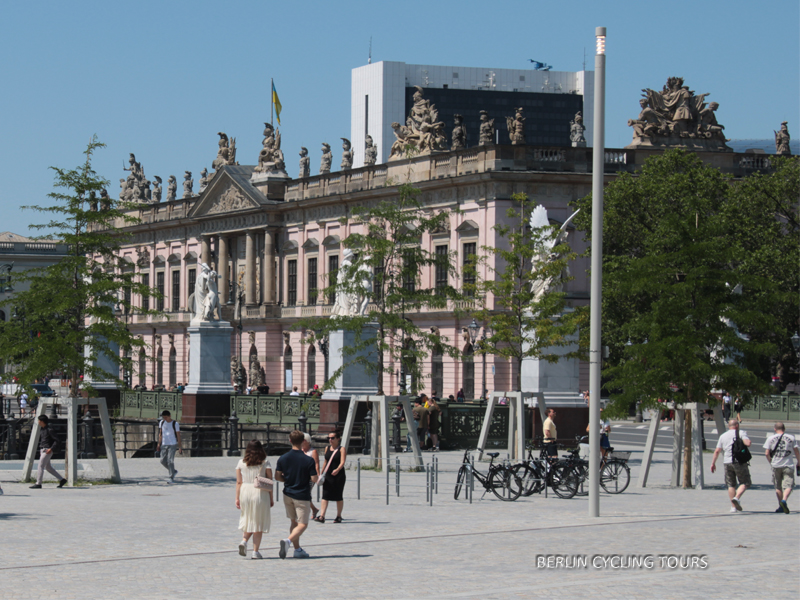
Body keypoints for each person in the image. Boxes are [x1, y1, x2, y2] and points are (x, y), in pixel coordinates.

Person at [274, 430, 318, 559]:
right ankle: (287, 541)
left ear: (289, 440)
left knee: (293, 522)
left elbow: (278, 477)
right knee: (303, 524)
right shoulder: (308, 460)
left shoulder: (283, 458)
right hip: (302, 494)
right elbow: (314, 479)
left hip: (287, 493)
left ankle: (297, 550)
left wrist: (286, 480)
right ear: (303, 441)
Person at [235, 440, 274, 559]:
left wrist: (237, 498)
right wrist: (271, 498)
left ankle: (244, 541)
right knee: (258, 521)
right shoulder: (265, 462)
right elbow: (270, 482)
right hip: (260, 491)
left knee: (248, 517)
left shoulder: (241, 463)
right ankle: (255, 552)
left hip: (245, 491)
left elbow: (238, 482)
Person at [710, 419, 751, 512]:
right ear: (736, 426)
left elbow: (717, 451)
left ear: (729, 426)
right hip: (739, 462)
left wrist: (713, 463)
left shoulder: (723, 436)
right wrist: (748, 441)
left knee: (731, 484)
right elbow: (747, 443)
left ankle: (733, 507)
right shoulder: (740, 432)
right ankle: (736, 498)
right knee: (745, 482)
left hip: (727, 462)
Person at [763, 422, 800, 514]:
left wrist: (771, 462)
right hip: (788, 464)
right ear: (784, 428)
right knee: (789, 485)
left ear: (775, 429)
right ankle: (784, 500)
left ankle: (781, 506)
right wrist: (799, 462)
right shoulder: (791, 438)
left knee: (778, 486)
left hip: (776, 465)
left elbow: (767, 453)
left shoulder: (770, 438)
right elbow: (796, 451)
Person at [315, 430, 347, 523]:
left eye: (332, 438)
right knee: (325, 495)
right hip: (328, 475)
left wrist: (337, 469)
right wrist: (321, 473)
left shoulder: (341, 449)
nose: (330, 440)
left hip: (338, 476)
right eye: (328, 438)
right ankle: (322, 516)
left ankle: (338, 516)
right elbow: (325, 461)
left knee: (338, 496)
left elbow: (342, 462)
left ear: (338, 439)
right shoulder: (327, 448)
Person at [29, 415, 67, 489]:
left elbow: (57, 440)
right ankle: (62, 480)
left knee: (40, 466)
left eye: (39, 420)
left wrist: (51, 449)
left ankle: (38, 483)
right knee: (48, 467)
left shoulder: (50, 429)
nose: (38, 422)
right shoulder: (42, 429)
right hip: (42, 449)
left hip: (47, 450)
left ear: (42, 421)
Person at [157, 410, 182, 483]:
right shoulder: (161, 423)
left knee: (170, 461)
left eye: (166, 417)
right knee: (162, 460)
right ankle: (173, 471)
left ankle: (171, 477)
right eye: (163, 417)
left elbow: (178, 435)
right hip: (164, 444)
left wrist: (180, 446)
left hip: (172, 444)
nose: (165, 419)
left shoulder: (175, 424)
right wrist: (159, 444)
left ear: (170, 416)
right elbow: (160, 434)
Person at [301, 432, 320, 519]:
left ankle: (306, 511)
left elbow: (316, 464)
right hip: (301, 476)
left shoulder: (313, 451)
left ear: (306, 441)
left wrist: (317, 475)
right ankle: (314, 509)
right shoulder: (299, 451)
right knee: (304, 494)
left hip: (310, 477)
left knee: (306, 493)